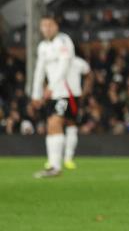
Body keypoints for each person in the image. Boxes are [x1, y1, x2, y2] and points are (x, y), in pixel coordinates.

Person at [31, 17, 76, 179]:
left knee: (55, 123)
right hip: (53, 93)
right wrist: (35, 94)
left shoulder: (64, 41)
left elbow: (64, 66)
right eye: (44, 25)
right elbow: (39, 71)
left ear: (56, 26)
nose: (47, 28)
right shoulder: (43, 46)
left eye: (50, 25)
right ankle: (53, 164)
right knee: (51, 127)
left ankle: (57, 166)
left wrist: (50, 87)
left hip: (65, 91)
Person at [61, 53, 92, 170]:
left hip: (73, 97)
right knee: (55, 124)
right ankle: (54, 158)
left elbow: (89, 75)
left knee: (71, 125)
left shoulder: (78, 62)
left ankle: (68, 158)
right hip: (58, 95)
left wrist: (84, 92)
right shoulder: (56, 60)